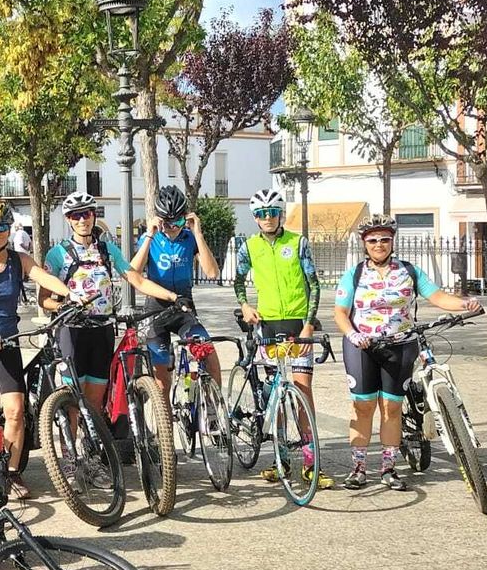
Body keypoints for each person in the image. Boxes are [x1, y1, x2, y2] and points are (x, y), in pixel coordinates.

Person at [333, 213, 481, 490]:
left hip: (400, 345)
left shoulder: (409, 271)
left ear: (392, 242)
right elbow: (340, 312)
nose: (379, 244)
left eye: (385, 240)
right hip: (362, 346)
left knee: (392, 408)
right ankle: (358, 468)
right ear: (364, 244)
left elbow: (437, 296)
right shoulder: (354, 274)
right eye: (373, 240)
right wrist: (353, 334)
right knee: (363, 407)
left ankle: (388, 468)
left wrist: (465, 304)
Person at [0, 199, 70, 499]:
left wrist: (70, 292)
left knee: (16, 411)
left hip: (8, 342)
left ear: (10, 230)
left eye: (3, 227)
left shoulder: (19, 260)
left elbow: (44, 277)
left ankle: (10, 473)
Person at [41, 191, 180, 419]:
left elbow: (138, 280)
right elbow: (43, 299)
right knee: (74, 400)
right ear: (68, 219)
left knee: (96, 399)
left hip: (102, 330)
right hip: (71, 332)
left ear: (94, 215)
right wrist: (62, 306)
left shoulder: (107, 250)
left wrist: (173, 297)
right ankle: (71, 452)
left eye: (86, 213)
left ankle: (93, 448)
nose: (82, 220)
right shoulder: (57, 254)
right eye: (75, 216)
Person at [231, 187, 327, 488]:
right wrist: (245, 306)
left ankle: (311, 464)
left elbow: (314, 285)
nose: (267, 218)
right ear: (255, 218)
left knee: (302, 391)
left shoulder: (298, 243)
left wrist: (309, 325)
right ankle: (281, 459)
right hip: (269, 327)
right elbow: (237, 281)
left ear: (280, 214)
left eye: (272, 212)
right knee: (276, 393)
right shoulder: (248, 247)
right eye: (261, 214)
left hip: (298, 324)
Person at [129, 185, 220, 392]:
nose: (172, 227)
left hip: (184, 308)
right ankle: (166, 424)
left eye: (177, 221)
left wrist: (198, 233)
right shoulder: (150, 239)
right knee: (162, 384)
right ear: (158, 219)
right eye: (166, 223)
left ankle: (213, 415)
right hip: (156, 311)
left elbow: (212, 273)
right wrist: (150, 235)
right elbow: (133, 272)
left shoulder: (189, 239)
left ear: (185, 218)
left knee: (211, 360)